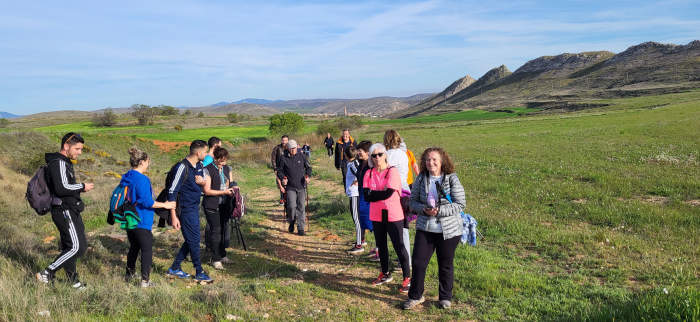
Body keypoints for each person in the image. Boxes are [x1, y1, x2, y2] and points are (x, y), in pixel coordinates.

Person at [403, 147, 465, 310]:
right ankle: (416, 296)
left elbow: (460, 203)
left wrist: (440, 211)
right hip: (425, 228)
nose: (430, 162)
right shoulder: (421, 178)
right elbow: (412, 201)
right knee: (418, 262)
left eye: (434, 159)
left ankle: (445, 297)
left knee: (445, 264)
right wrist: (423, 209)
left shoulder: (451, 178)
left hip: (449, 230)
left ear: (442, 161)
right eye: (427, 159)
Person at [36, 132, 95, 289]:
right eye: (77, 149)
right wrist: (82, 186)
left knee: (73, 247)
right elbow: (62, 188)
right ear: (66, 146)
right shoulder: (58, 163)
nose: (79, 153)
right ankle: (47, 273)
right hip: (64, 210)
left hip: (69, 210)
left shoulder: (64, 162)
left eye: (81, 149)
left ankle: (73, 282)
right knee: (76, 247)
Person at [121, 148, 176, 287]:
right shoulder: (142, 179)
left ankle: (129, 274)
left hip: (129, 218)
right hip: (141, 219)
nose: (148, 164)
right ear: (141, 162)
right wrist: (165, 205)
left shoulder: (126, 176)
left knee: (134, 247)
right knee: (146, 249)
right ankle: (145, 281)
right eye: (147, 162)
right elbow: (147, 202)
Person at [363, 143, 411, 294]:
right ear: (370, 158)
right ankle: (385, 273)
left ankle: (407, 278)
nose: (377, 158)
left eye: (380, 154)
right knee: (381, 245)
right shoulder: (369, 173)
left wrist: (374, 193)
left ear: (385, 155)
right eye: (374, 155)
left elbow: (389, 193)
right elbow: (366, 196)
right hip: (376, 214)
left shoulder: (392, 171)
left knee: (399, 246)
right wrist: (378, 193)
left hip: (393, 214)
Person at [166, 140, 213, 283]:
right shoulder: (182, 167)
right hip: (185, 209)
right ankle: (199, 271)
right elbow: (172, 192)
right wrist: (174, 216)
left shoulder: (198, 165)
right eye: (205, 152)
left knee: (192, 239)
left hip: (194, 207)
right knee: (194, 240)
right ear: (198, 153)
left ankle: (174, 268)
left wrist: (202, 182)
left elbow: (204, 179)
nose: (206, 155)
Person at [202, 147, 235, 270]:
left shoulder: (227, 169)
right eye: (221, 161)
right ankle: (215, 259)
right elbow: (207, 191)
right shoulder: (208, 170)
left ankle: (222, 254)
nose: (223, 164)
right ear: (215, 159)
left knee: (224, 229)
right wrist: (223, 192)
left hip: (225, 204)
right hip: (212, 204)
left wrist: (234, 188)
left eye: (225, 161)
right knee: (216, 231)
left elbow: (231, 182)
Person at [384, 130, 412, 269]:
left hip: (394, 193)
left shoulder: (388, 155)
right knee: (404, 227)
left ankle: (405, 260)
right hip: (406, 190)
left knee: (397, 229)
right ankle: (406, 259)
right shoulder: (403, 154)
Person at [276, 140, 312, 236]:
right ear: (288, 148)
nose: (293, 150)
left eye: (295, 148)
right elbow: (279, 171)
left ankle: (301, 228)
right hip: (290, 187)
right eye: (291, 148)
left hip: (301, 186)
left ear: (297, 147)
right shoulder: (283, 158)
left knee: (301, 207)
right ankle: (291, 222)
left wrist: (308, 176)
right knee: (291, 207)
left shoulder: (302, 156)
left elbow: (309, 168)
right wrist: (283, 178)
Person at [356, 140, 378, 260]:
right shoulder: (362, 163)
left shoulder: (370, 165)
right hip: (362, 194)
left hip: (369, 197)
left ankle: (379, 250)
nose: (359, 153)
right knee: (365, 220)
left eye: (361, 151)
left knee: (374, 223)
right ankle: (375, 247)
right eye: (358, 150)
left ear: (368, 153)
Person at [344, 146, 363, 254]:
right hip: (353, 194)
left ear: (346, 155)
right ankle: (359, 240)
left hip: (355, 194)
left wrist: (357, 181)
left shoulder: (353, 164)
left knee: (356, 219)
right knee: (356, 218)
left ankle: (359, 244)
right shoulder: (352, 163)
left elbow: (360, 174)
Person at [271, 135, 289, 204]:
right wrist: (275, 168)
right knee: (281, 183)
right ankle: (282, 198)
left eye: (285, 140)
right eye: (283, 140)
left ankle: (288, 197)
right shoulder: (277, 148)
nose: (284, 142)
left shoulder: (290, 148)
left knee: (288, 183)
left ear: (288, 140)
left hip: (288, 168)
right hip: (279, 168)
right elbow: (273, 159)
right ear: (281, 140)